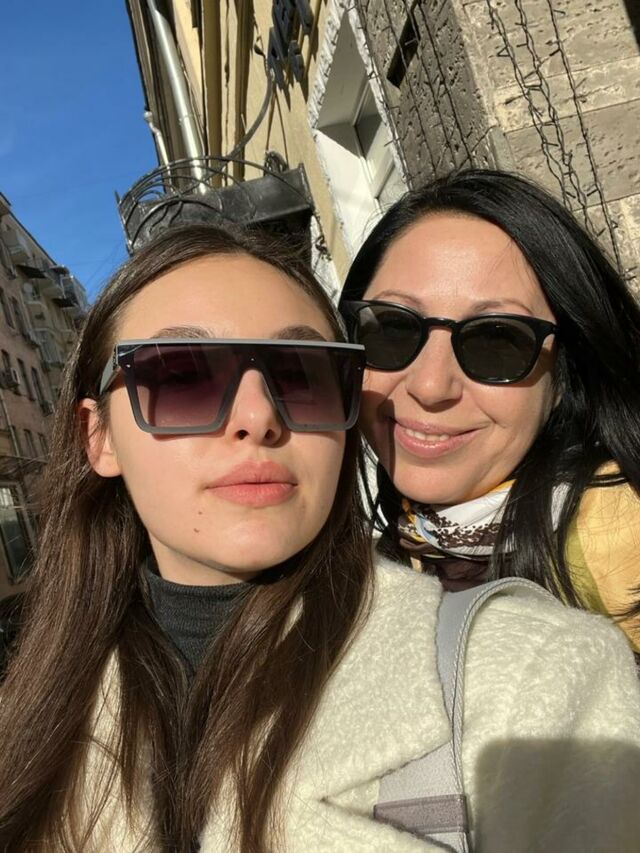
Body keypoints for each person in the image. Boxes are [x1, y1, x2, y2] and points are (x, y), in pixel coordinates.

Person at [1, 223, 639, 853]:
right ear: (100, 438)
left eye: (301, 375)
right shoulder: (31, 716)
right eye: (183, 377)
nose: (258, 417)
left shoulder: (538, 680)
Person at [340, 168, 640, 653]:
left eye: (497, 340)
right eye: (392, 330)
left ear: (564, 377)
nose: (431, 386)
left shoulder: (618, 533)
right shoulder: (409, 548)